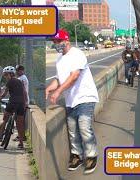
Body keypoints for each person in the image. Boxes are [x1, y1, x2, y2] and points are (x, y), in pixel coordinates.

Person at [45, 29, 99, 174]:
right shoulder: (59, 59)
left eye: (58, 41)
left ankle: (91, 155)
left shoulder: (77, 54)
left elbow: (74, 76)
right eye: (54, 42)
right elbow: (59, 79)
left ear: (66, 40)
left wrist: (58, 92)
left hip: (85, 97)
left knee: (84, 127)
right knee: (72, 130)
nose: (56, 44)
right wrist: (50, 87)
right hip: (71, 100)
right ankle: (77, 156)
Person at [0, 66, 27, 149]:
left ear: (10, 74)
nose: (5, 77)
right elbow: (24, 93)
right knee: (20, 124)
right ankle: (21, 143)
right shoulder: (20, 81)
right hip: (21, 104)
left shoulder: (10, 82)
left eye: (6, 75)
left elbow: (4, 93)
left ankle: (1, 136)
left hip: (12, 103)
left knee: (4, 119)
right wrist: (25, 103)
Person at [13, 65, 29, 142]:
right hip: (20, 101)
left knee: (20, 120)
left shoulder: (22, 78)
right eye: (16, 70)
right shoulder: (20, 78)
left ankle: (22, 136)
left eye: (18, 70)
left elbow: (24, 91)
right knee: (18, 119)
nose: (17, 71)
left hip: (22, 101)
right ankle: (21, 136)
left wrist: (25, 102)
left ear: (22, 70)